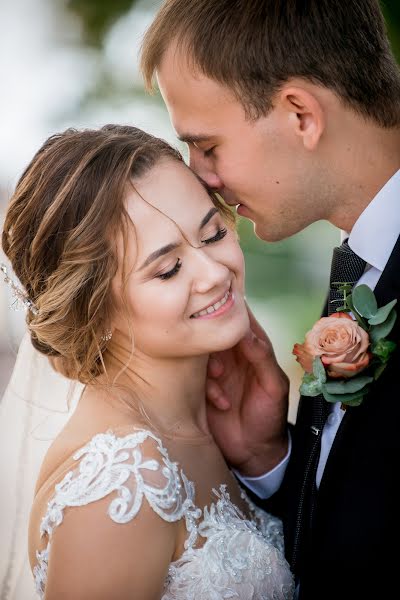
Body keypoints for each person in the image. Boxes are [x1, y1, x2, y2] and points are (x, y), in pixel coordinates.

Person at [140, 1, 400, 598]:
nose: (199, 176)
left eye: (206, 146)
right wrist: (268, 458)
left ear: (300, 115)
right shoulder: (359, 260)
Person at [0, 124, 294, 599]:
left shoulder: (216, 425)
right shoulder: (123, 482)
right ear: (93, 309)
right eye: (168, 269)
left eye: (213, 233)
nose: (215, 273)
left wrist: (267, 459)